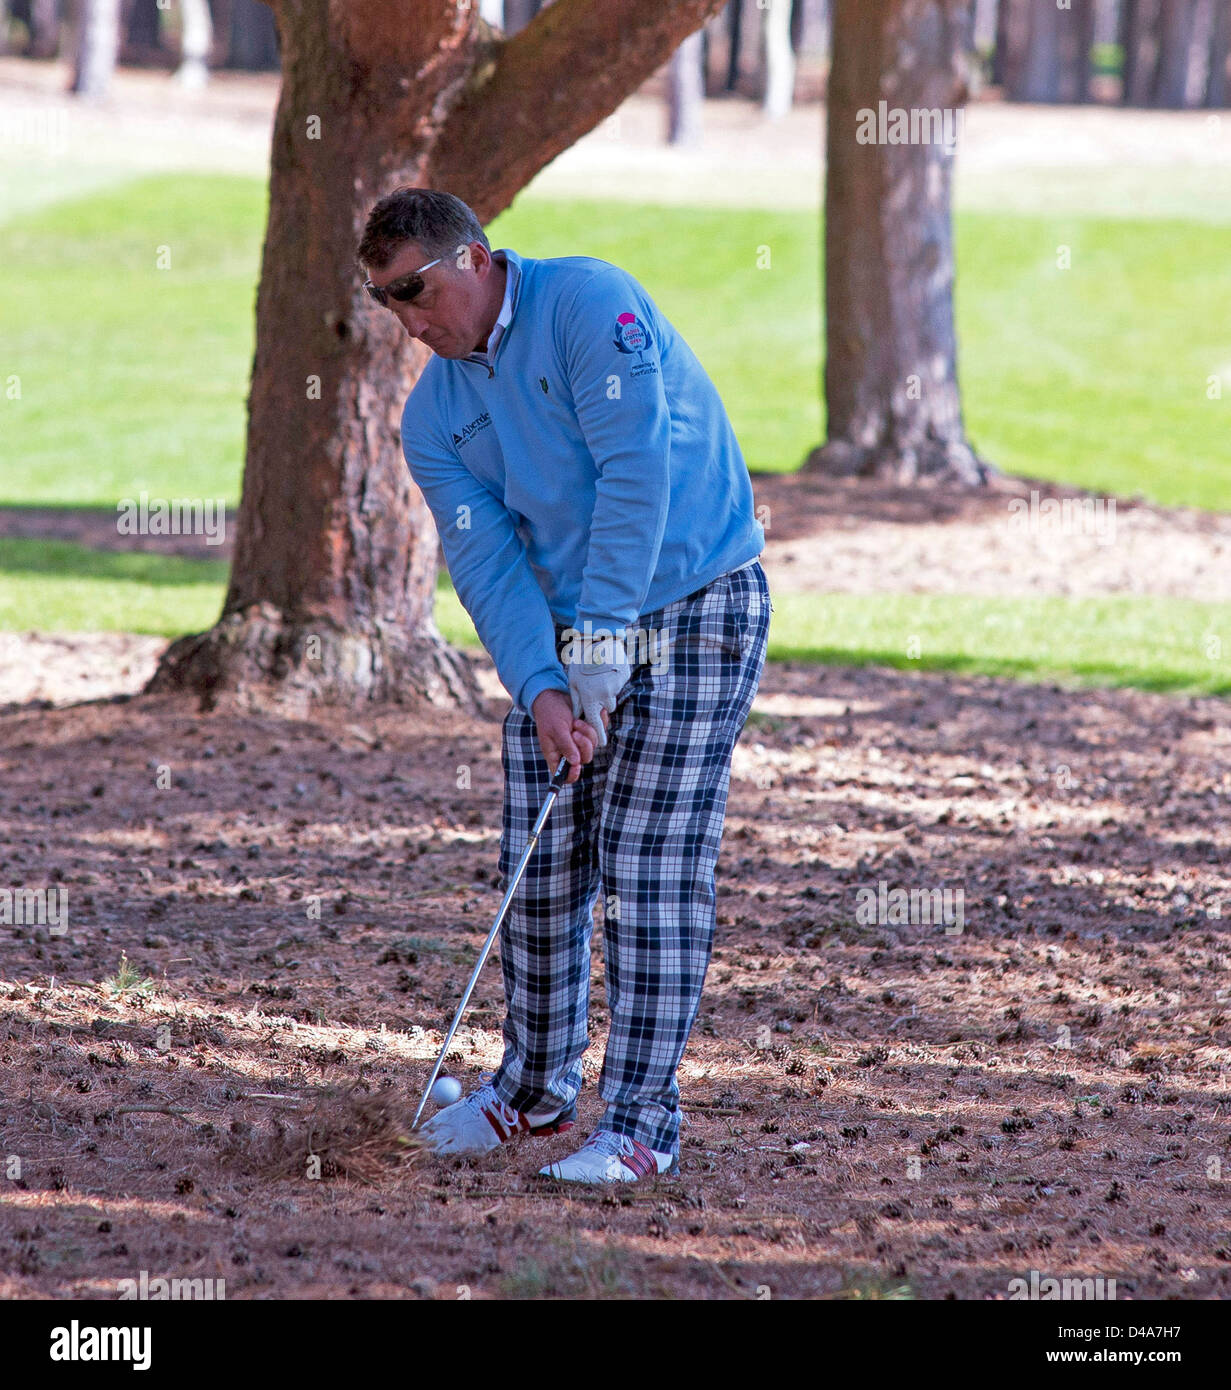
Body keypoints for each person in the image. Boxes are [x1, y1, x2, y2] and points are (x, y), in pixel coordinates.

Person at [356, 187, 771, 1185]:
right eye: (386, 303)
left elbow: (636, 472)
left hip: (696, 600)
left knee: (647, 863)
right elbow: (488, 565)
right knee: (539, 868)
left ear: (476, 256)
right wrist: (545, 686)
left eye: (416, 290)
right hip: (572, 633)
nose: (409, 320)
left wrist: (604, 642)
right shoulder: (433, 418)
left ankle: (639, 1124)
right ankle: (535, 1091)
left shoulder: (590, 306)